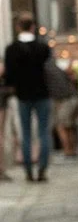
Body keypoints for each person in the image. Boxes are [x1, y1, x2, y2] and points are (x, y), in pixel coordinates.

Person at [3, 15, 52, 182]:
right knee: (43, 131)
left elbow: (9, 75)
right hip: (42, 92)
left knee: (26, 132)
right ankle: (43, 167)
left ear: (18, 27)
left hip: (23, 94)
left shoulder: (12, 49)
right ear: (32, 27)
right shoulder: (42, 48)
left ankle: (28, 169)